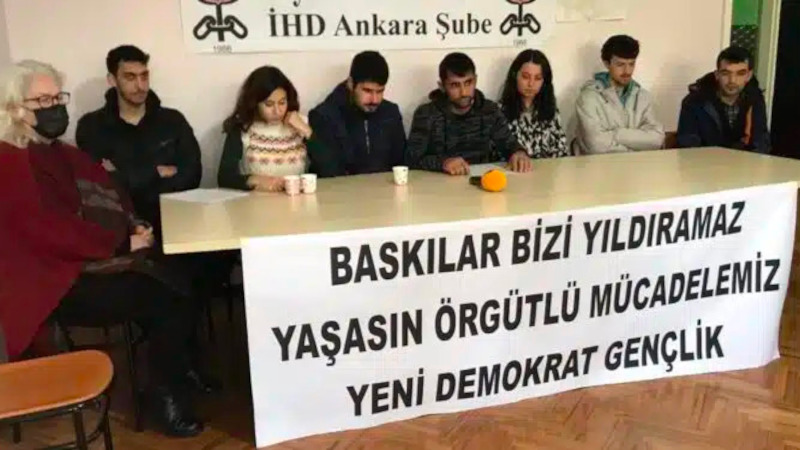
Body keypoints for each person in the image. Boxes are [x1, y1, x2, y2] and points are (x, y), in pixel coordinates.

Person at [0, 60, 208, 437]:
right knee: (167, 296)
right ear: (14, 107)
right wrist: (121, 242)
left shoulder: (57, 150)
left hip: (81, 263)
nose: (54, 107)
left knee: (181, 271)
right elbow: (48, 231)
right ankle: (165, 396)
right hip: (54, 282)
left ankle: (178, 369)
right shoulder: (9, 160)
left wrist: (132, 223)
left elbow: (111, 187)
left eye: (57, 98)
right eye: (42, 100)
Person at [76, 45, 201, 240]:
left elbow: (193, 174)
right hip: (121, 230)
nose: (140, 85)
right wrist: (157, 172)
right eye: (130, 77)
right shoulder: (92, 126)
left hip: (177, 222)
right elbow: (102, 187)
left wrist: (126, 175)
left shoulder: (173, 120)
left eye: (144, 76)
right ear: (112, 80)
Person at [407, 52, 532, 175]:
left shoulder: (489, 110)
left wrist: (518, 153)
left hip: (481, 182)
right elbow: (411, 159)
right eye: (455, 85)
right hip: (439, 184)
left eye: (468, 83)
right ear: (442, 86)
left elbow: (509, 144)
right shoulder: (426, 114)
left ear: (475, 80)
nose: (463, 92)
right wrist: (443, 163)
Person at [218, 65, 323, 191]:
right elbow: (224, 178)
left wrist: (307, 132)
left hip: (296, 198)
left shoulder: (299, 123)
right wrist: (254, 180)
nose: (277, 111)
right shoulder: (242, 129)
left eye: (282, 102)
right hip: (256, 200)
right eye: (269, 104)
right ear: (255, 103)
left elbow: (330, 168)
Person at [308, 51, 406, 177]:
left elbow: (401, 163)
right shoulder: (325, 116)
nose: (374, 100)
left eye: (380, 91)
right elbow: (328, 171)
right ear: (350, 83)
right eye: (367, 91)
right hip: (342, 188)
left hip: (386, 187)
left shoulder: (390, 113)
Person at [575, 35, 664, 154]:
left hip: (639, 164)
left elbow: (657, 139)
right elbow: (596, 145)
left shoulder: (643, 96)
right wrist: (637, 147)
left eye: (631, 64)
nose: (627, 71)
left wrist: (617, 134)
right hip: (601, 165)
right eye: (620, 65)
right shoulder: (588, 98)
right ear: (607, 64)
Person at [676, 46, 770, 153]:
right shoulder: (694, 102)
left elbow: (761, 143)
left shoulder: (756, 100)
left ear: (749, 76)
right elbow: (688, 146)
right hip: (705, 162)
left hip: (745, 162)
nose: (732, 80)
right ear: (717, 75)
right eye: (726, 73)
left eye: (740, 74)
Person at [500, 49, 568, 158]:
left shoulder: (551, 111)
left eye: (538, 78)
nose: (531, 84)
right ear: (515, 76)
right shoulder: (499, 113)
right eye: (525, 77)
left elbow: (562, 151)